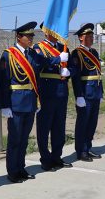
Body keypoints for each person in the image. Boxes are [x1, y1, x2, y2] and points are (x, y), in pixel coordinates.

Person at [0, 21, 63, 183]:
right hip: (15, 102)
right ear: (19, 37)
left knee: (24, 139)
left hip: (30, 101)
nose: (31, 39)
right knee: (15, 139)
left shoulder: (32, 54)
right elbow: (4, 81)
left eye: (31, 36)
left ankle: (21, 168)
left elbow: (46, 62)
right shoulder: (9, 54)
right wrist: (5, 105)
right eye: (28, 36)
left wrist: (59, 58)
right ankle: (12, 171)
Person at [33, 23, 72, 172]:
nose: (56, 33)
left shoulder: (63, 48)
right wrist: (57, 59)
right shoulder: (39, 48)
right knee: (44, 127)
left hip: (61, 91)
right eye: (53, 30)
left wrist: (69, 72)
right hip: (47, 92)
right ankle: (45, 159)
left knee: (59, 127)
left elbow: (73, 66)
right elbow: (38, 63)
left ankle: (57, 157)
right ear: (46, 31)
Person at [69, 23, 104, 161]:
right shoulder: (77, 53)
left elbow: (97, 74)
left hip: (95, 92)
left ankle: (88, 147)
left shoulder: (94, 52)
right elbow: (76, 76)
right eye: (88, 36)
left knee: (92, 123)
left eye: (92, 35)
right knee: (83, 122)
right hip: (85, 92)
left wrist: (100, 92)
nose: (91, 38)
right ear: (81, 38)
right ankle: (81, 151)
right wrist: (79, 95)